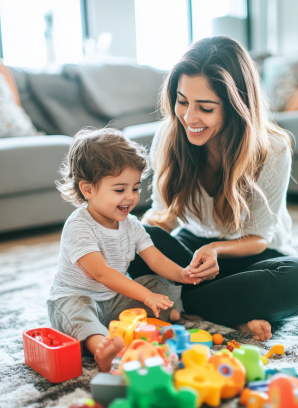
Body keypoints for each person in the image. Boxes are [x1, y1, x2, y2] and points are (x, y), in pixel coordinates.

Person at [128, 36, 298, 342]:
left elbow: (259, 238)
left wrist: (216, 249)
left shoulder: (272, 148)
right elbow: (163, 216)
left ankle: (178, 302)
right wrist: (125, 239)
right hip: (192, 254)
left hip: (252, 254)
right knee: (134, 238)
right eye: (182, 101)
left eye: (205, 108)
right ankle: (233, 311)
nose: (189, 118)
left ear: (236, 106)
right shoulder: (169, 136)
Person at [47, 127, 200, 372]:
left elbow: (155, 259)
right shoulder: (78, 226)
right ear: (88, 189)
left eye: (136, 188)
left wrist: (182, 273)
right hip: (76, 297)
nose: (130, 197)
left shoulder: (131, 224)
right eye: (120, 190)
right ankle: (101, 348)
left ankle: (170, 317)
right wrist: (144, 296)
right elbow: (101, 274)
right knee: (79, 313)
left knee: (154, 283)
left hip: (114, 299)